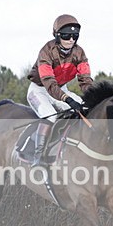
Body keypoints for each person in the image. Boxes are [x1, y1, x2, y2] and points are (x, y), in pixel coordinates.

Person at [25, 14, 92, 165]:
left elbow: (85, 80)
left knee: (83, 110)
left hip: (62, 89)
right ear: (57, 35)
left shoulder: (79, 52)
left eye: (75, 36)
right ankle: (38, 156)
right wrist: (67, 99)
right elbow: (49, 83)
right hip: (40, 90)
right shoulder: (46, 51)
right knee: (50, 116)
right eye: (67, 36)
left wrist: (93, 97)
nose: (71, 40)